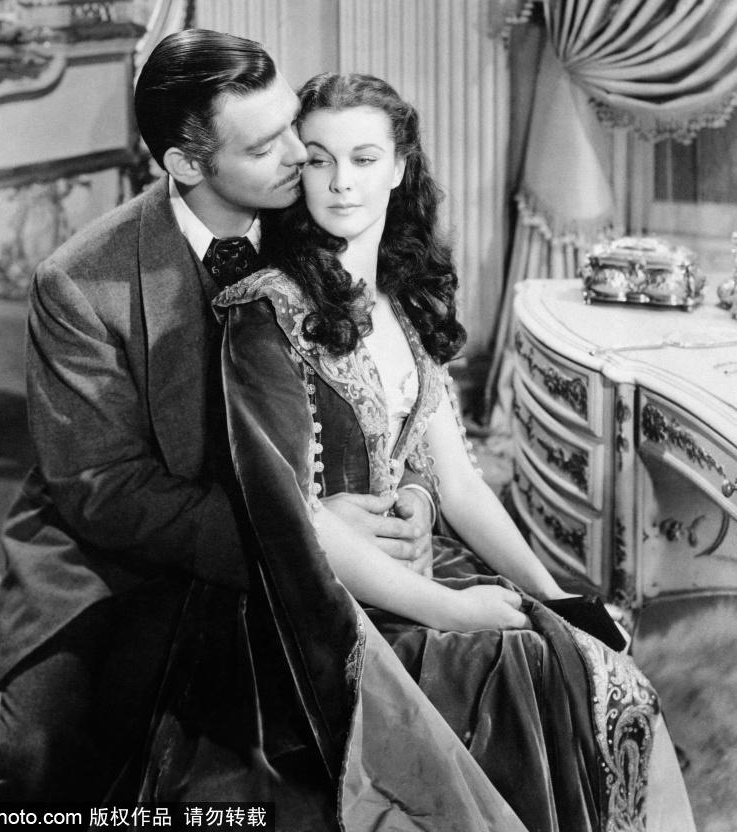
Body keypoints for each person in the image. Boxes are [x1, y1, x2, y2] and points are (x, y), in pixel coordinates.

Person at [138, 73, 697, 831]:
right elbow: (292, 516)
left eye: (364, 159)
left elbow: (460, 485)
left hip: (409, 569)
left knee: (580, 655)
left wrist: (557, 594)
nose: (341, 182)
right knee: (521, 670)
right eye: (319, 159)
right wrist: (452, 610)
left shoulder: (401, 302)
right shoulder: (266, 311)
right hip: (312, 607)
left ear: (400, 168)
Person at [0, 31, 434, 803]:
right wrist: (303, 535)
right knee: (43, 761)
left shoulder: (321, 216)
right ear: (186, 164)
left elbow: (400, 389)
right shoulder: (80, 282)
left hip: (305, 526)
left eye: (291, 124)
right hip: (116, 552)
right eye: (265, 146)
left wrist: (411, 492)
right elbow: (105, 490)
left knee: (358, 747)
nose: (301, 155)